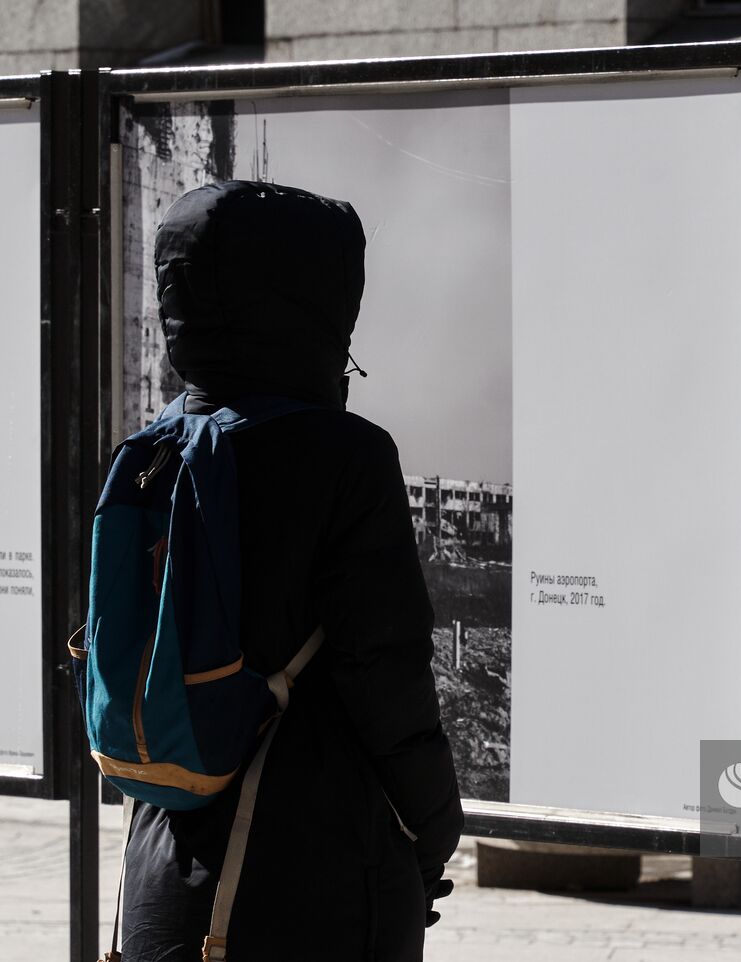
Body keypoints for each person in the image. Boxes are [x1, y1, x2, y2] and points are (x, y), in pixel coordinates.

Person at [119, 181, 464, 960]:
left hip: (163, 865)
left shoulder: (155, 449)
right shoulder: (347, 458)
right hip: (314, 872)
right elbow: (387, 671)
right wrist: (432, 829)